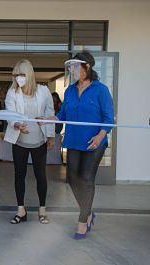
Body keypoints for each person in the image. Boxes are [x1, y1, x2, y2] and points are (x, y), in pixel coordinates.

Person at [41, 51, 114, 239]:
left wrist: (100, 136)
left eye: (75, 66)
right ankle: (88, 212)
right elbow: (62, 115)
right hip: (73, 140)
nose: (72, 70)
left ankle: (82, 221)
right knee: (73, 178)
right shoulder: (70, 90)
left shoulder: (101, 90)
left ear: (86, 67)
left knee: (87, 178)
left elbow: (108, 117)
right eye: (71, 66)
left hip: (94, 142)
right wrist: (47, 119)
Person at [4, 59, 55, 225]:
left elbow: (50, 112)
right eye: (16, 75)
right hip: (19, 140)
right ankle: (21, 210)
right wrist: (17, 124)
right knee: (19, 175)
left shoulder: (43, 91)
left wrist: (51, 135)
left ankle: (42, 209)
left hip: (39, 140)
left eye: (21, 74)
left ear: (29, 74)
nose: (18, 78)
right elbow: (10, 113)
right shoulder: (12, 92)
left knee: (41, 175)